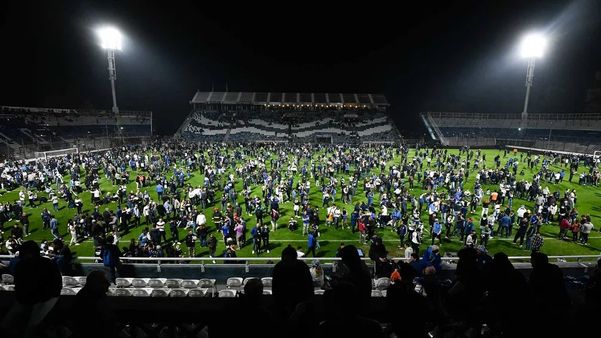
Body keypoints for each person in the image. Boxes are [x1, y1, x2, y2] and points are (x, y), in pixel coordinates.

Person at [0, 240, 62, 338]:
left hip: (41, 299)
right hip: (41, 298)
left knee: (27, 324)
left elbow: (21, 288)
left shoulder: (22, 265)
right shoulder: (47, 263)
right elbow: (57, 286)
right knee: (29, 324)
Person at [272, 245, 314, 320]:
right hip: (300, 305)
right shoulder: (302, 266)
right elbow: (310, 286)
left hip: (284, 305)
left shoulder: (278, 267)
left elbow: (275, 289)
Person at [71, 270, 116, 338]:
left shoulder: (85, 294)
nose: (109, 284)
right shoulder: (95, 297)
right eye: (105, 282)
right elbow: (106, 316)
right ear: (97, 283)